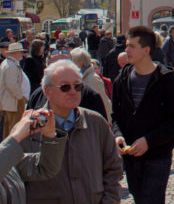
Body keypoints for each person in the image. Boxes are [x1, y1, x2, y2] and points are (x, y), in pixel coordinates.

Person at [23, 59, 122, 203]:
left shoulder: (96, 122)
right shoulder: (28, 127)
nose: (73, 92)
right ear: (48, 92)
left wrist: (109, 200)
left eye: (78, 86)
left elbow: (113, 168)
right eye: (65, 87)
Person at [111, 26, 174, 204]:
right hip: (131, 156)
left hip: (157, 155)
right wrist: (118, 135)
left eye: (131, 46)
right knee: (139, 198)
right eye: (126, 45)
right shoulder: (121, 79)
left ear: (146, 50)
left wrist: (149, 141)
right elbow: (115, 117)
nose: (126, 50)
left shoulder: (167, 80)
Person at [0, 42, 29, 139]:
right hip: (13, 102)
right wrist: (20, 96)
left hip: (11, 101)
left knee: (9, 127)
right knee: (13, 128)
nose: (21, 54)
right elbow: (12, 85)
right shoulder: (11, 65)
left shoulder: (9, 63)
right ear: (15, 53)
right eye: (20, 52)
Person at [71, 48, 112, 121]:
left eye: (72, 61)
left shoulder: (92, 78)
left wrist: (106, 121)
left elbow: (103, 101)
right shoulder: (83, 77)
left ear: (80, 63)